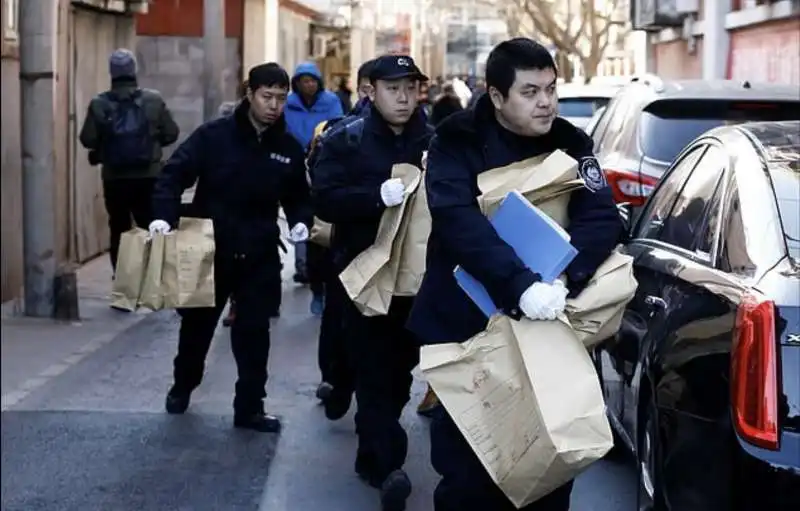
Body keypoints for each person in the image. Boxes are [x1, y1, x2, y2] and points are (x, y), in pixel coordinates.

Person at [406, 38, 624, 511]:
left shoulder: (571, 141)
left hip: (549, 326)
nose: (545, 102)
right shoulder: (454, 140)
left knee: (548, 471)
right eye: (530, 91)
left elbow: (601, 217)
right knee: (469, 473)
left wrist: (567, 276)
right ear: (497, 96)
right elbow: (457, 220)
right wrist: (519, 284)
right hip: (468, 328)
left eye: (550, 89)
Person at [149, 63, 312, 433]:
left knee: (254, 334)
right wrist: (163, 216)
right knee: (196, 330)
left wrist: (301, 219)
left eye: (281, 99)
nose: (274, 105)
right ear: (249, 93)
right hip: (209, 251)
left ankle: (250, 407)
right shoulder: (213, 137)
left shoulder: (287, 147)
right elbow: (173, 174)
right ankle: (183, 384)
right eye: (266, 97)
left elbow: (299, 196)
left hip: (259, 254)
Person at [312, 54, 434, 511]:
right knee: (373, 370)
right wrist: (372, 198)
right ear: (370, 91)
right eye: (393, 88)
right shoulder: (346, 140)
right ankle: (389, 467)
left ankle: (372, 455)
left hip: (415, 281)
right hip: (362, 274)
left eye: (410, 88)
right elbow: (324, 198)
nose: (403, 97)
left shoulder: (436, 142)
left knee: (399, 372)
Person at [79, 48, 179, 278]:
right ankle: (152, 277)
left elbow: (88, 139)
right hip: (149, 175)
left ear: (112, 73)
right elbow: (171, 133)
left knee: (120, 228)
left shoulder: (99, 104)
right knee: (150, 224)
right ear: (134, 70)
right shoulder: (153, 100)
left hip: (115, 178)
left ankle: (124, 280)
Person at [284, 62, 345, 285]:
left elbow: (336, 126)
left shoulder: (330, 101)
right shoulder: (288, 104)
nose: (308, 85)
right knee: (298, 213)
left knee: (318, 214)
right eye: (303, 81)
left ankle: (320, 263)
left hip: (321, 161)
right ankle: (303, 266)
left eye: (311, 80)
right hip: (294, 161)